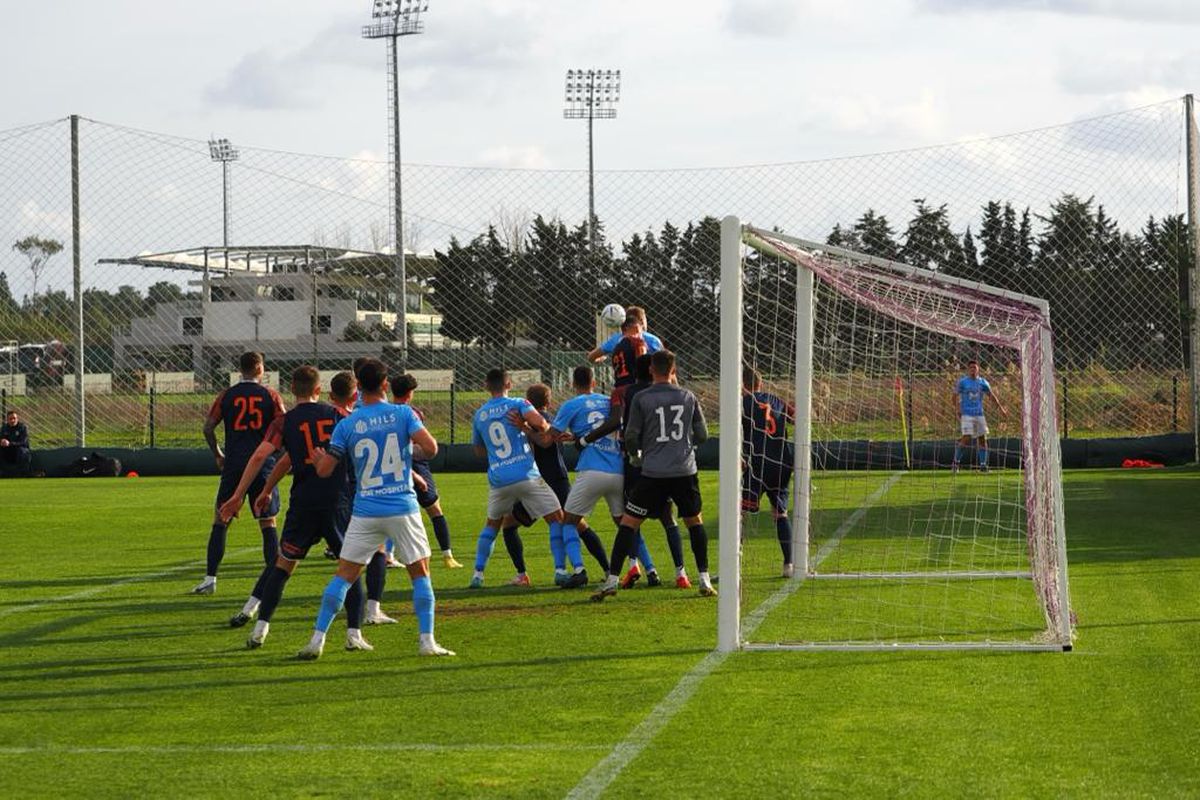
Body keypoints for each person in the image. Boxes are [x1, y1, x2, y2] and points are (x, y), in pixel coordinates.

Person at [300, 358, 454, 659]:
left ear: (358, 386)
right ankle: (426, 641)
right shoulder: (402, 413)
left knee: (343, 575)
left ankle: (317, 639)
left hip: (366, 509)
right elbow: (432, 449)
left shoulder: (348, 423)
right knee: (420, 573)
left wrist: (320, 462)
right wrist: (406, 452)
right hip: (402, 505)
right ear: (385, 384)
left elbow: (326, 469)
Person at [217, 366, 369, 651]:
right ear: (318, 389)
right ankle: (354, 634)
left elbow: (267, 455)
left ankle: (261, 628)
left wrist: (242, 494)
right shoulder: (338, 416)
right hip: (337, 502)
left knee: (283, 565)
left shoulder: (284, 422)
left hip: (303, 503)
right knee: (349, 568)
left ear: (291, 389)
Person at [593, 350, 716, 601]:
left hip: (653, 472)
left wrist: (638, 455)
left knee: (629, 524)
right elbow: (702, 435)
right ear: (674, 370)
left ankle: (612, 581)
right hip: (684, 471)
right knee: (694, 522)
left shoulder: (641, 398)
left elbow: (630, 435)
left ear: (651, 370)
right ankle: (703, 578)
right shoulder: (688, 396)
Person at [469, 370, 584, 589]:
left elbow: (478, 451)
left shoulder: (479, 414)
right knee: (557, 519)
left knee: (492, 525)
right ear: (509, 384)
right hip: (526, 474)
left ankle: (477, 574)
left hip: (499, 479)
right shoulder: (518, 403)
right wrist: (527, 427)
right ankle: (560, 570)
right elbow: (541, 425)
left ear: (486, 386)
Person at [586, 353, 687, 588]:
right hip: (664, 461)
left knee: (631, 519)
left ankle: (633, 566)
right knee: (668, 519)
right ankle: (680, 572)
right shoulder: (666, 394)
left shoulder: (626, 393)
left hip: (635, 463)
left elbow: (620, 424)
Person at [193, 351, 286, 595]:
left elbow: (208, 428)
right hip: (263, 465)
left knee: (221, 519)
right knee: (268, 521)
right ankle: (272, 581)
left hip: (234, 465)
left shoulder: (227, 395)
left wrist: (218, 454)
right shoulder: (271, 395)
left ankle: (210, 578)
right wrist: (277, 456)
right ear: (258, 368)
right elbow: (285, 426)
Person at [502, 383, 611, 587]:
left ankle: (523, 574)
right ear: (549, 401)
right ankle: (607, 569)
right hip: (559, 480)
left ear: (528, 401)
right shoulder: (554, 420)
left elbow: (541, 445)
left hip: (541, 483)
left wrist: (524, 429)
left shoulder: (532, 423)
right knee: (578, 526)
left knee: (509, 525)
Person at [551, 366, 625, 579]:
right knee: (626, 524)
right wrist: (577, 437)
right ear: (594, 382)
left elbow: (551, 435)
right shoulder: (609, 401)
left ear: (573, 384)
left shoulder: (571, 404)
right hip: (618, 469)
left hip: (592, 469)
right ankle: (647, 569)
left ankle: (579, 570)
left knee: (569, 521)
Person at [390, 373, 463, 570]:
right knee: (434, 510)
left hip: (390, 467)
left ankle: (387, 555)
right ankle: (447, 556)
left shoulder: (385, 413)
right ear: (410, 393)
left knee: (393, 510)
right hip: (416, 466)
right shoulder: (412, 413)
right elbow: (426, 447)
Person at [741, 366, 797, 578]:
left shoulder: (743, 403)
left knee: (740, 513)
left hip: (757, 465)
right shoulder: (777, 400)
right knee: (780, 512)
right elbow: (797, 417)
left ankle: (732, 565)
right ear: (760, 384)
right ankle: (789, 564)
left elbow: (737, 431)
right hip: (782, 463)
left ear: (742, 385)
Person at [952, 359, 1007, 474]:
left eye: (975, 368)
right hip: (967, 414)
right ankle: (955, 463)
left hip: (979, 414)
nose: (973, 370)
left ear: (978, 370)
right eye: (971, 367)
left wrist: (1001, 409)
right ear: (968, 369)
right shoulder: (963, 382)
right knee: (966, 438)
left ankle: (983, 465)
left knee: (982, 439)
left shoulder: (983, 383)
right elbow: (954, 396)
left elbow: (991, 396)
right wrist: (957, 409)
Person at [587, 305, 663, 366]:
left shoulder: (615, 339)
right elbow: (667, 364)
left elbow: (591, 357)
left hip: (623, 382)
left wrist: (600, 359)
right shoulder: (653, 340)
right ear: (641, 321)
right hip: (648, 382)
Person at [0, 410, 32, 478]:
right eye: (10, 419)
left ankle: (22, 473)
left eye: (14, 418)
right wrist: (2, 441)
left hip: (19, 450)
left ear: (17, 419)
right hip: (8, 451)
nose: (12, 420)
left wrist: (10, 443)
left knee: (23, 451)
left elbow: (23, 442)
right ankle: (2, 472)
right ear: (7, 420)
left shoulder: (22, 428)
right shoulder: (4, 428)